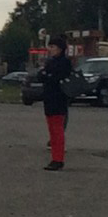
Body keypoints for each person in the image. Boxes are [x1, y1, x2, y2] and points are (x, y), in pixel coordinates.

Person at [38, 36, 72, 171]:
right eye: (50, 46)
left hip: (59, 100)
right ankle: (55, 158)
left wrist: (47, 75)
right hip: (49, 99)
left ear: (60, 49)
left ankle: (58, 159)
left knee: (57, 130)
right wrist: (47, 74)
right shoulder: (50, 62)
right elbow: (41, 76)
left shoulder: (64, 62)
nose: (50, 49)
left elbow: (56, 78)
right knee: (52, 130)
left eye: (53, 47)